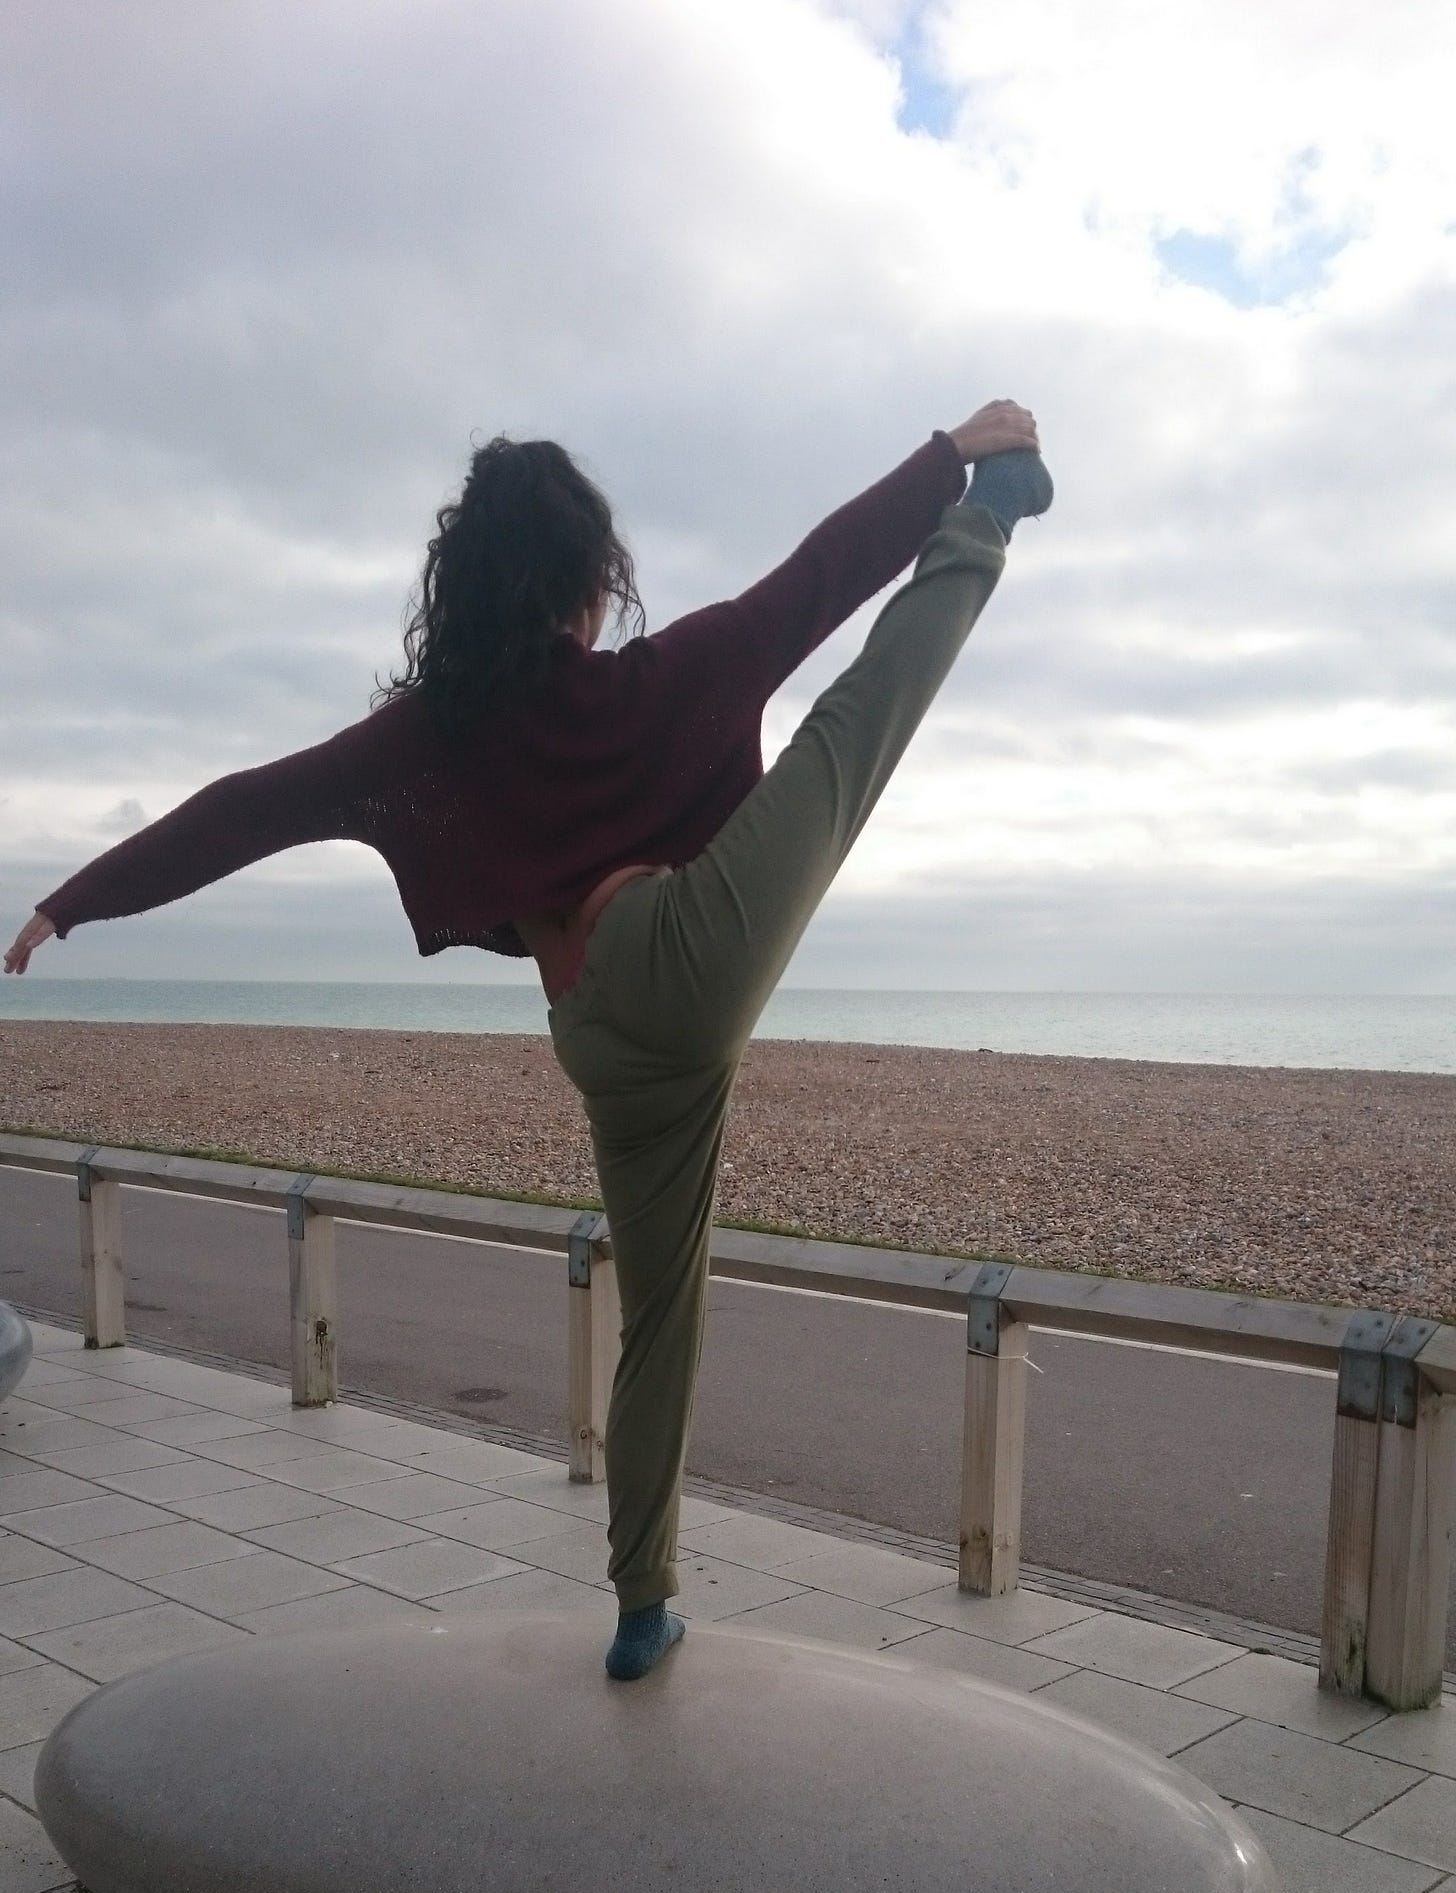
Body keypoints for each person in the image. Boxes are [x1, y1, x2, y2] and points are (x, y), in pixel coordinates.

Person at [5, 402, 1052, 1679]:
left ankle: (641, 1604)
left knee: (666, 1305)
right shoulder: (662, 681)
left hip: (600, 1040)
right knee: (849, 735)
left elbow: (247, 809)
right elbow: (822, 575)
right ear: (585, 580)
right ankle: (990, 519)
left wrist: (76, 901)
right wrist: (953, 456)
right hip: (684, 965)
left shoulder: (427, 738)